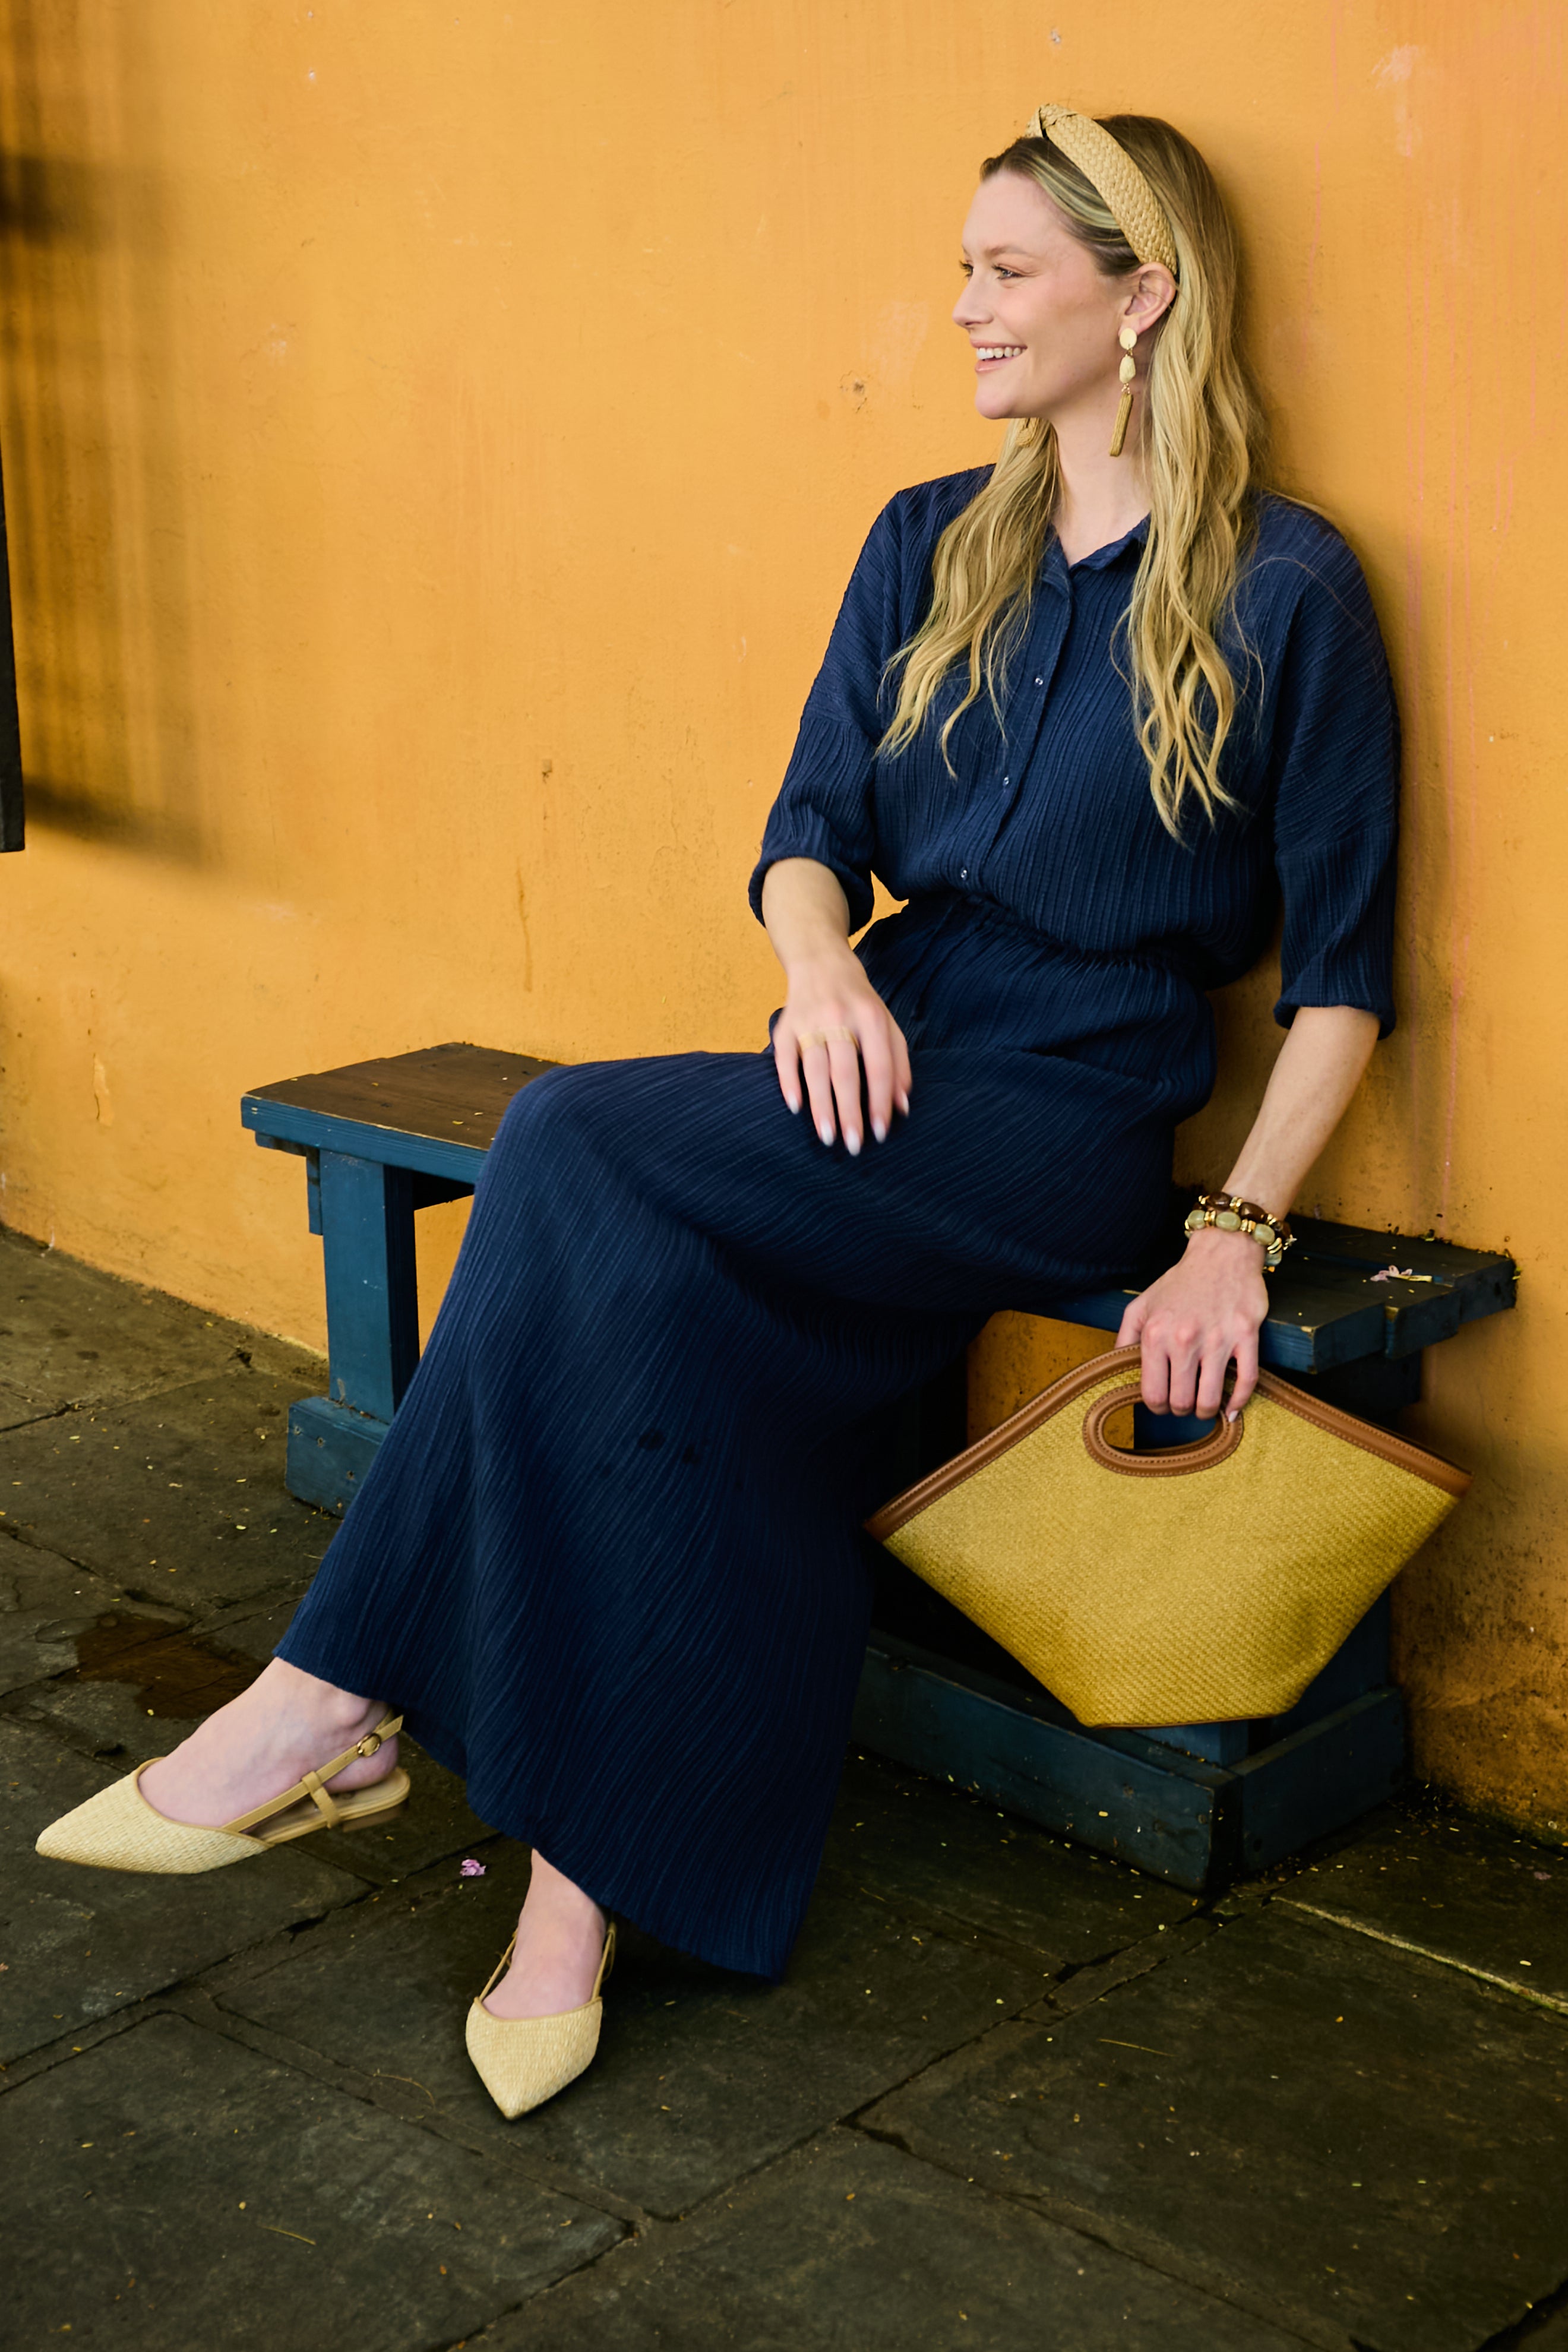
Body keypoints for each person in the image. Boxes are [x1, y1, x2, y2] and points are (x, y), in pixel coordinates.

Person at [38, 106, 1398, 2118]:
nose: (964, 310)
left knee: (571, 1142)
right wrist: (822, 968)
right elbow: (808, 829)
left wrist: (1236, 1235)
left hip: (1073, 1102)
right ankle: (576, 1904)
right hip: (879, 1042)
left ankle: (327, 1696)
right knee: (672, 1324)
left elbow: (1346, 978)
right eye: (961, 270)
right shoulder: (928, 538)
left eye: (1006, 271)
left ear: (1145, 296)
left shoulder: (1288, 587)